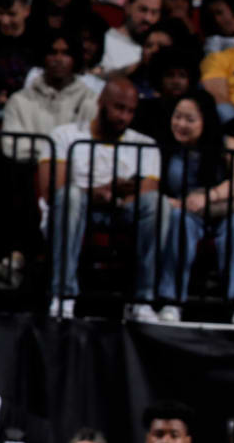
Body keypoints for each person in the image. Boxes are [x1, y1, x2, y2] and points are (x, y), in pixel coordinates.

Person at [44, 76, 162, 318]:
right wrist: (101, 191)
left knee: (157, 204)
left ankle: (143, 299)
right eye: (119, 108)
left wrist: (112, 196)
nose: (124, 117)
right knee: (71, 197)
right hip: (78, 209)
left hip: (121, 214)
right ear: (101, 102)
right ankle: (63, 296)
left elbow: (146, 193)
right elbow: (52, 188)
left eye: (130, 111)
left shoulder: (145, 144)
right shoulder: (63, 136)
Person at [153, 92, 234, 320]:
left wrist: (210, 196)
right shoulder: (165, 146)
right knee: (179, 222)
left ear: (206, 121)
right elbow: (152, 185)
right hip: (185, 209)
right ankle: (171, 301)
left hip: (224, 206)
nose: (181, 124)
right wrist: (171, 202)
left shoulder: (227, 144)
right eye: (177, 117)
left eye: (190, 120)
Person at [0, 31, 95, 161]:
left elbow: (92, 150)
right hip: (27, 174)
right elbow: (11, 146)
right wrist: (55, 155)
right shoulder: (19, 101)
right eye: (52, 53)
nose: (58, 59)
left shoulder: (91, 100)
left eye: (66, 53)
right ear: (43, 57)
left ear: (75, 58)